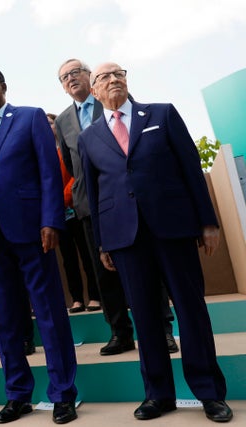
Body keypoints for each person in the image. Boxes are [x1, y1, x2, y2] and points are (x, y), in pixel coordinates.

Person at [79, 62, 232, 423]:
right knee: (146, 316)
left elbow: (190, 166)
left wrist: (207, 221)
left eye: (119, 73)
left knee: (191, 310)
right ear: (94, 90)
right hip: (125, 238)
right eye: (104, 77)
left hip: (174, 227)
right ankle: (158, 395)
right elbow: (94, 191)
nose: (113, 79)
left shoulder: (161, 113)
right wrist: (103, 243)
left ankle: (210, 392)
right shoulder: (89, 136)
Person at [0, 67, 78, 424]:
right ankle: (18, 394)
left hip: (32, 232)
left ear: (3, 87)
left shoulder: (30, 117)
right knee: (6, 321)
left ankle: (63, 394)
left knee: (50, 315)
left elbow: (48, 172)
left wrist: (51, 219)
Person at [55, 58, 178, 355]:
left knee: (149, 268)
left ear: (90, 78)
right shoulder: (61, 121)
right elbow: (73, 165)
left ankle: (163, 329)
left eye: (75, 73)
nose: (71, 79)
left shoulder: (114, 97)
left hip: (130, 200)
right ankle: (119, 332)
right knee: (104, 272)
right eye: (64, 77)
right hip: (91, 205)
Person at [47, 112, 98, 314]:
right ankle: (77, 299)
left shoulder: (68, 146)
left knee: (88, 255)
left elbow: (75, 174)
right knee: (68, 260)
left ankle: (95, 296)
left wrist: (64, 198)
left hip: (76, 208)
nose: (47, 127)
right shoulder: (42, 153)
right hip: (58, 215)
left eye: (50, 123)